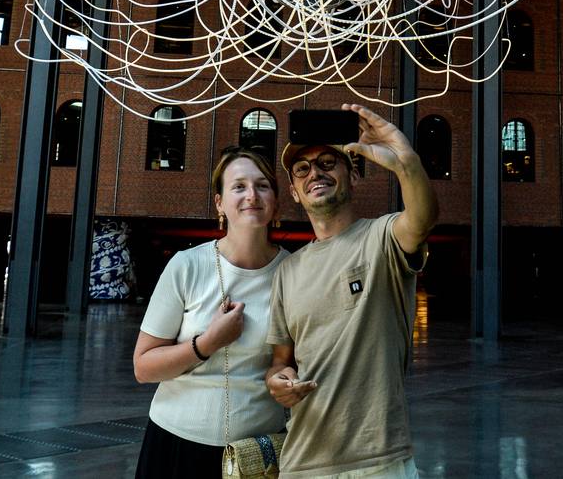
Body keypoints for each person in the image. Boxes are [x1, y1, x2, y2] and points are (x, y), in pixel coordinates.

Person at [265, 103, 439, 479]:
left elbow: (423, 219)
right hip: (302, 460)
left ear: (353, 174)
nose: (316, 172)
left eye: (328, 162)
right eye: (302, 169)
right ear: (295, 193)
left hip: (379, 461)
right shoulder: (288, 271)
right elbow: (281, 360)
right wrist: (278, 382)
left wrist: (404, 159)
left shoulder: (382, 237)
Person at [133, 147, 289, 478]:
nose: (252, 195)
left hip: (258, 454)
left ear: (276, 200)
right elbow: (143, 367)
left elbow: (291, 361)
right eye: (239, 186)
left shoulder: (294, 272)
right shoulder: (186, 266)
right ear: (219, 202)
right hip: (175, 445)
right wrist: (207, 343)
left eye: (263, 185)